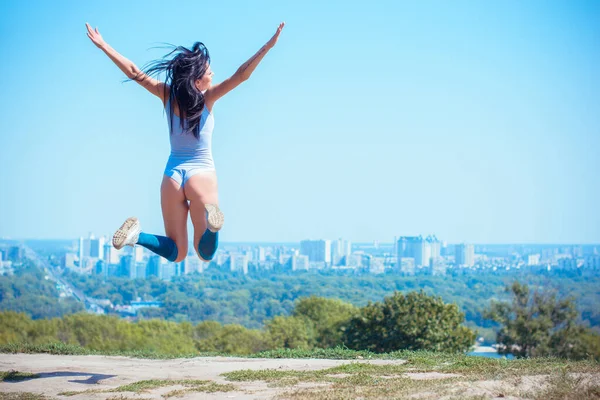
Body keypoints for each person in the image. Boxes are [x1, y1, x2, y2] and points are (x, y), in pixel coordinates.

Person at [85, 21, 285, 262]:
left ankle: (136, 236)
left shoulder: (167, 95)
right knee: (204, 252)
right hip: (201, 175)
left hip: (172, 177)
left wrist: (104, 45)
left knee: (177, 253)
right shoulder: (209, 97)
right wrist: (269, 46)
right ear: (197, 81)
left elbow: (134, 72)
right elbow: (242, 75)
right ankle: (212, 227)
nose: (212, 73)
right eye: (209, 71)